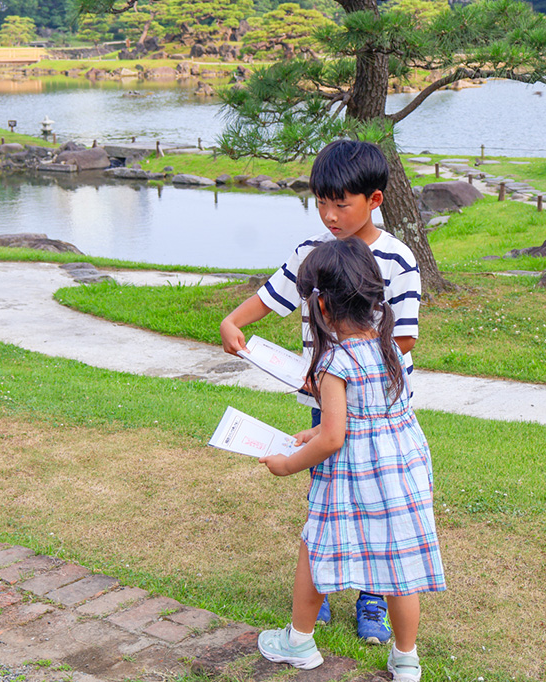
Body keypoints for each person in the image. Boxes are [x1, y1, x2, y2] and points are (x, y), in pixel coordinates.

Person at [220, 139, 423, 644]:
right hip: (323, 402)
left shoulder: (396, 258)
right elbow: (274, 294)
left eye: (342, 204)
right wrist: (234, 320)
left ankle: (373, 602)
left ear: (374, 200)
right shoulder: (313, 251)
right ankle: (322, 592)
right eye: (322, 203)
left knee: (379, 503)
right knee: (330, 499)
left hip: (378, 408)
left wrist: (341, 366)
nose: (331, 216)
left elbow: (404, 336)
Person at [255, 238, 445, 679]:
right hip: (401, 470)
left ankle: (299, 641)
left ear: (321, 308)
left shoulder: (333, 362)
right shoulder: (391, 348)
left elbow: (335, 437)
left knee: (315, 546)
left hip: (353, 476)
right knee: (401, 567)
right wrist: (317, 430)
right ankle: (405, 659)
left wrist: (288, 462)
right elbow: (374, 413)